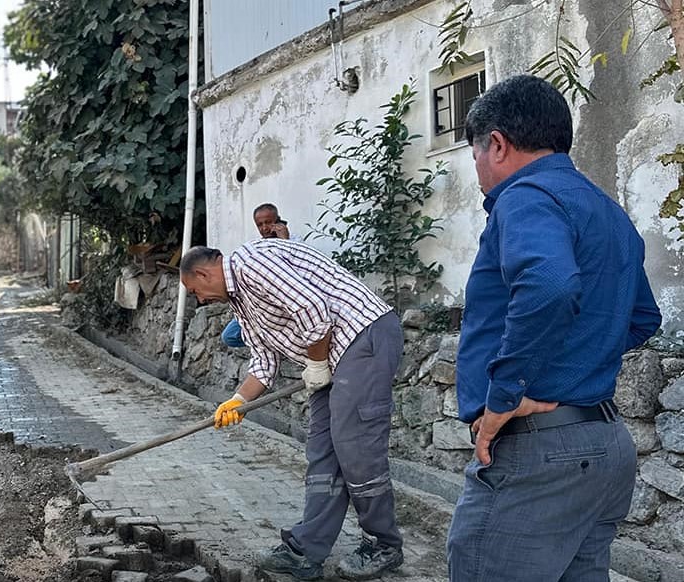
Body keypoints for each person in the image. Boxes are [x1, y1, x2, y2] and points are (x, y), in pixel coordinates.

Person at [447, 75, 662, 581]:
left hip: (539, 452)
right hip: (604, 444)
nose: (476, 169)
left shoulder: (525, 197)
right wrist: (574, 363)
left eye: (474, 153)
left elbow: (548, 285)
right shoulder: (608, 211)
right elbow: (641, 319)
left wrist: (506, 395)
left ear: (496, 143)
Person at [180, 240, 405, 580]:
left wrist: (315, 365)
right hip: (331, 355)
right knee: (322, 452)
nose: (200, 299)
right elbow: (264, 360)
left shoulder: (251, 264)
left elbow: (314, 310)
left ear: (203, 273)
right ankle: (306, 549)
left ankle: (383, 545)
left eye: (196, 291)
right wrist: (239, 401)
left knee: (355, 446)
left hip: (363, 336)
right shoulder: (240, 301)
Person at [221, 203, 298, 349]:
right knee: (229, 336)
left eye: (268, 222)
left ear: (278, 220)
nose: (264, 228)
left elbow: (292, 273)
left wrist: (284, 242)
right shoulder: (255, 247)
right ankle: (274, 344)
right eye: (260, 225)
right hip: (258, 302)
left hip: (283, 302)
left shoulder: (294, 242)